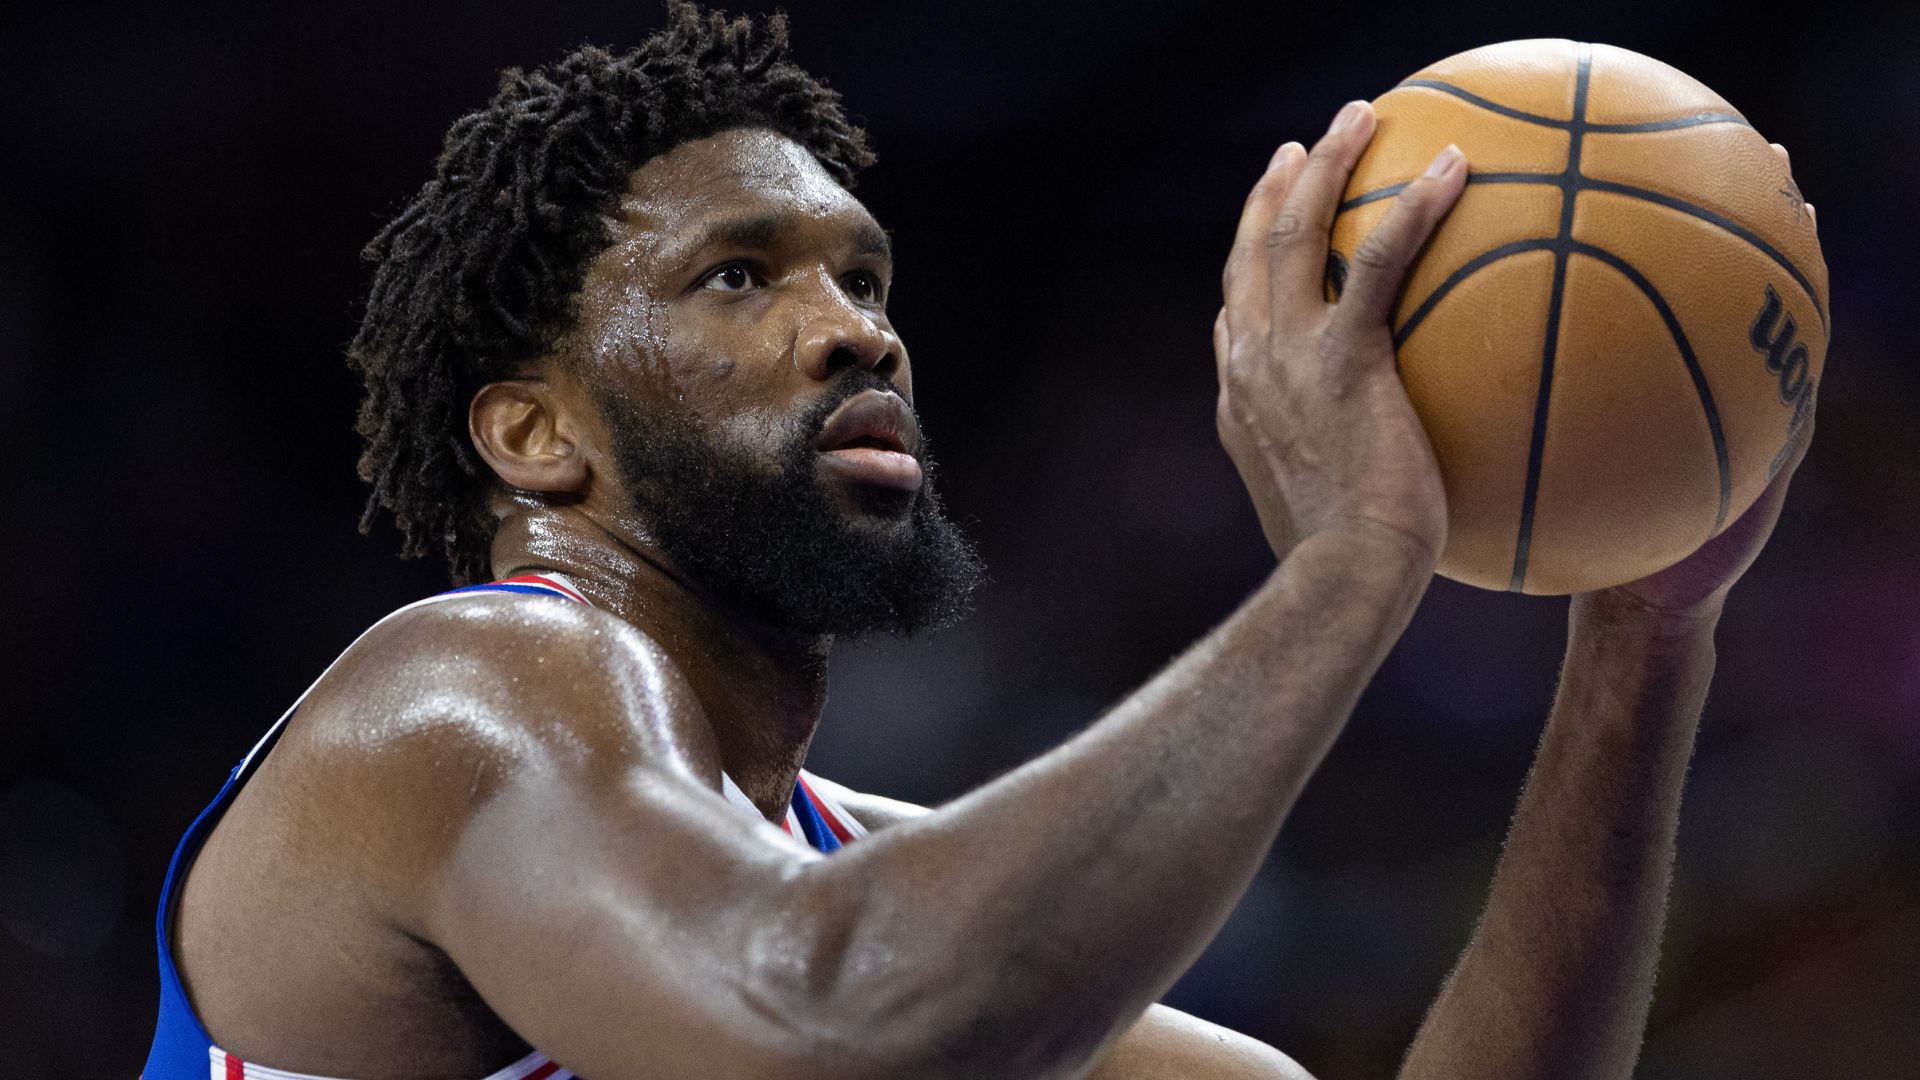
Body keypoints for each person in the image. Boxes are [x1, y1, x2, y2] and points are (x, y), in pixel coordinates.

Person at [142, 5, 1819, 1079]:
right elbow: (836, 1022)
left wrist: (1641, 641)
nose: (857, 333)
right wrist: (1358, 555)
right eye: (742, 275)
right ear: (534, 434)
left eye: (866, 279)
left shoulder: (855, 871)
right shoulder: (460, 695)